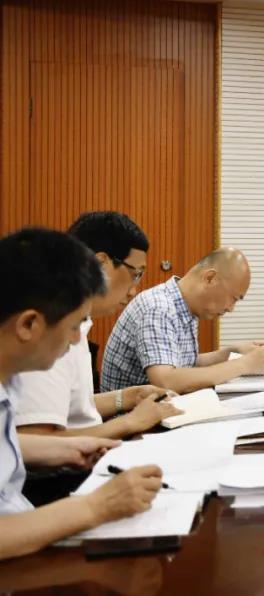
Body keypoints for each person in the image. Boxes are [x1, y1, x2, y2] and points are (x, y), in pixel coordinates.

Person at [0, 228, 162, 560]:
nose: (77, 340)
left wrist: (68, 448)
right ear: (28, 325)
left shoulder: (9, 379)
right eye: (75, 325)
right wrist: (96, 506)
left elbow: (7, 444)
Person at [16, 212, 180, 440]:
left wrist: (129, 397)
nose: (134, 290)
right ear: (100, 263)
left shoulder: (76, 319)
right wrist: (130, 422)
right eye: (135, 274)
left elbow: (71, 408)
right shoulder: (50, 327)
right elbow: (38, 441)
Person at [101, 247, 264, 394]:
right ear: (210, 278)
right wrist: (245, 364)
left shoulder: (185, 306)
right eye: (233, 298)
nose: (231, 308)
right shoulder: (158, 308)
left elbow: (183, 363)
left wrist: (231, 352)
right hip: (131, 422)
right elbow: (166, 381)